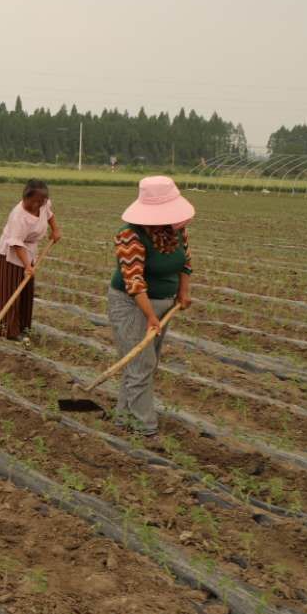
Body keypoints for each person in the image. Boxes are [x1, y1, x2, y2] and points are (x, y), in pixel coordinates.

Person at [107, 176, 194, 436]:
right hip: (131, 305)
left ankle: (124, 419)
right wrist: (150, 317)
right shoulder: (129, 235)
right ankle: (145, 428)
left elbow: (186, 263)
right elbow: (134, 282)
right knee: (141, 364)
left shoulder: (176, 230)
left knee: (145, 364)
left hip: (164, 304)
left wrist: (183, 292)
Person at [0, 179, 60, 342]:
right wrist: (27, 266)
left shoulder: (43, 204)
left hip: (29, 251)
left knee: (26, 291)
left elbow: (50, 215)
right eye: (34, 201)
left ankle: (23, 327)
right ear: (26, 198)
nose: (37, 204)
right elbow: (16, 243)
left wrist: (55, 230)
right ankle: (8, 330)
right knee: (10, 291)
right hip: (11, 253)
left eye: (40, 201)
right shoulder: (18, 216)